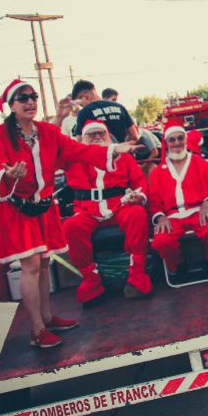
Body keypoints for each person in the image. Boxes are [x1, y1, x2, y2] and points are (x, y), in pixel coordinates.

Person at [0, 80, 139, 348]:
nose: (30, 101)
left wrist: (114, 148)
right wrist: (9, 174)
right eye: (23, 98)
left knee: (44, 262)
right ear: (11, 106)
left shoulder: (46, 131)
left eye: (33, 96)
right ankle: (37, 330)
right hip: (14, 206)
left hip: (41, 205)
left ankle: (47, 317)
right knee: (31, 265)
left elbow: (78, 150)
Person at [63, 120, 151, 304]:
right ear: (82, 139)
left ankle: (137, 278)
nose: (96, 137)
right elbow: (52, 150)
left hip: (120, 205)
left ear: (108, 136)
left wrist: (139, 197)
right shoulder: (73, 159)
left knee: (137, 215)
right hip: (87, 211)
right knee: (71, 226)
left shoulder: (124, 157)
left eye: (100, 133)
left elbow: (139, 183)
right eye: (91, 134)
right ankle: (92, 283)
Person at [149, 125, 208, 277]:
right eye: (172, 139)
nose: (177, 142)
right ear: (166, 143)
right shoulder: (158, 172)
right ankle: (178, 266)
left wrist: (207, 203)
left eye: (180, 138)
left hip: (198, 211)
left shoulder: (199, 162)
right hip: (172, 217)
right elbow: (154, 202)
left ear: (185, 140)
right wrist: (160, 217)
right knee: (160, 240)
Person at [70, 80, 139, 144]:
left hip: (101, 155)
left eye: (80, 104)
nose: (81, 106)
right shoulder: (120, 107)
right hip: (124, 155)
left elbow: (79, 143)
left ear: (85, 97)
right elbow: (135, 135)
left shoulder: (84, 112)